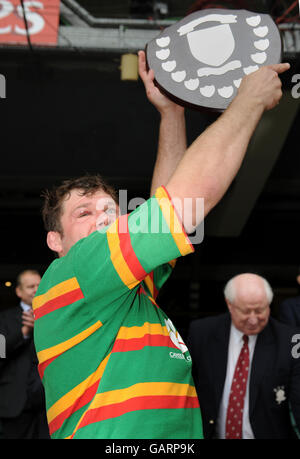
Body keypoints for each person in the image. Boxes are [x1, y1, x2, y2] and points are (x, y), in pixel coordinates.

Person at [32, 51, 290, 439]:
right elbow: (183, 203)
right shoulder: (79, 269)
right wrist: (248, 102)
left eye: (110, 210)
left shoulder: (125, 294)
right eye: (84, 213)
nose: (103, 218)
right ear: (56, 241)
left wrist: (172, 115)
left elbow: (162, 203)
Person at [187, 273, 300, 439]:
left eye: (260, 310)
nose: (253, 320)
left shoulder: (290, 340)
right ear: (229, 305)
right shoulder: (202, 333)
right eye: (246, 311)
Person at [0, 270, 50, 439]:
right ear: (19, 291)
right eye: (30, 286)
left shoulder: (54, 315)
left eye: (39, 285)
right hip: (14, 404)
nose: (36, 289)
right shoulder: (4, 318)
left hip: (48, 403)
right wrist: (24, 332)